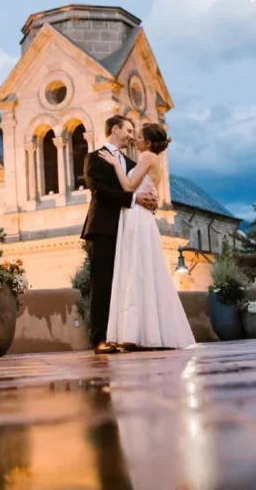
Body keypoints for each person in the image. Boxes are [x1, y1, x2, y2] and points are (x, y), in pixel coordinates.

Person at [97, 122, 196, 351]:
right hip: (141, 217)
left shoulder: (147, 157)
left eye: (139, 136)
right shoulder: (154, 160)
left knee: (135, 270)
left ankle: (135, 333)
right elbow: (150, 192)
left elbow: (129, 186)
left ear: (149, 142)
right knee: (144, 271)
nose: (135, 139)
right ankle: (147, 332)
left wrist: (115, 164)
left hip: (136, 218)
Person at [82, 116, 158, 355]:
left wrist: (151, 201)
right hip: (103, 228)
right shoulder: (94, 158)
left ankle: (123, 335)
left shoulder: (132, 163)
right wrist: (135, 199)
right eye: (128, 130)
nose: (132, 136)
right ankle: (100, 339)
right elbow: (100, 192)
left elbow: (142, 188)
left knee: (127, 284)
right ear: (115, 129)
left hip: (130, 230)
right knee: (102, 284)